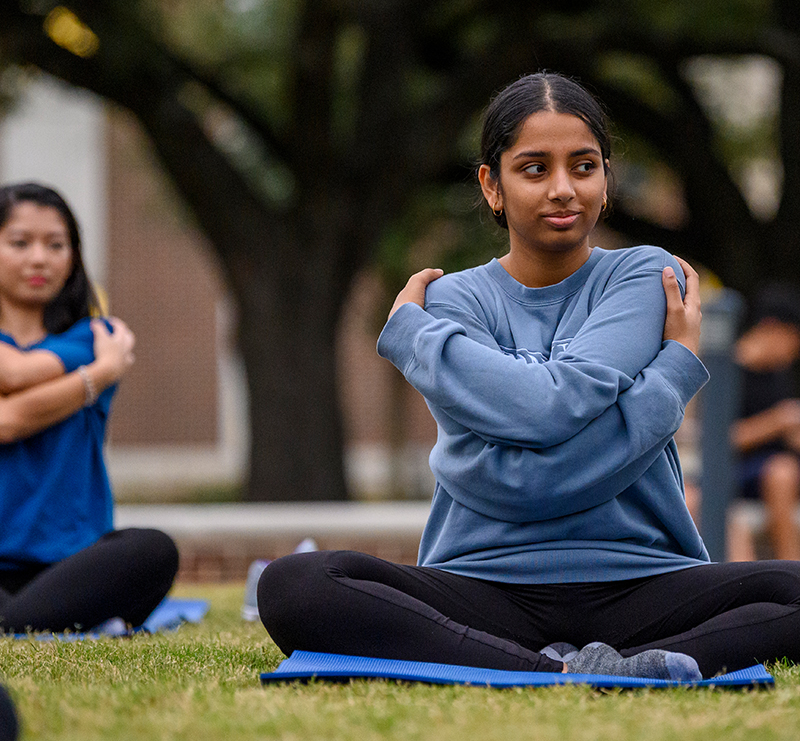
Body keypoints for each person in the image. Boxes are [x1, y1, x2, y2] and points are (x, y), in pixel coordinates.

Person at [258, 72, 800, 680]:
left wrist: (418, 342)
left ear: (606, 177)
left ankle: (598, 663)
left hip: (642, 581)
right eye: (535, 168)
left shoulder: (647, 276)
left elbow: (538, 421)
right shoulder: (449, 304)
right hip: (483, 583)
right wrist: (670, 376)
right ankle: (557, 668)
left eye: (584, 166)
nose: (564, 189)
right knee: (296, 585)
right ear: (492, 185)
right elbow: (547, 423)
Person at [0, 182, 179, 634]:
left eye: (55, 245)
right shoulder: (104, 355)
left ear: (73, 257)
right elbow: (7, 413)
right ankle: (35, 621)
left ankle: (20, 621)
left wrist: (99, 363)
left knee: (152, 550)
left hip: (72, 566)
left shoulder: (95, 336)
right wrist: (98, 376)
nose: (39, 259)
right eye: (20, 243)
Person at [727, 283, 800, 561]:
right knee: (782, 472)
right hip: (737, 471)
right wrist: (778, 421)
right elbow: (719, 439)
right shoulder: (727, 370)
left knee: (783, 469)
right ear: (771, 328)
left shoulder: (778, 374)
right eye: (793, 339)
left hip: (776, 467)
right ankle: (791, 570)